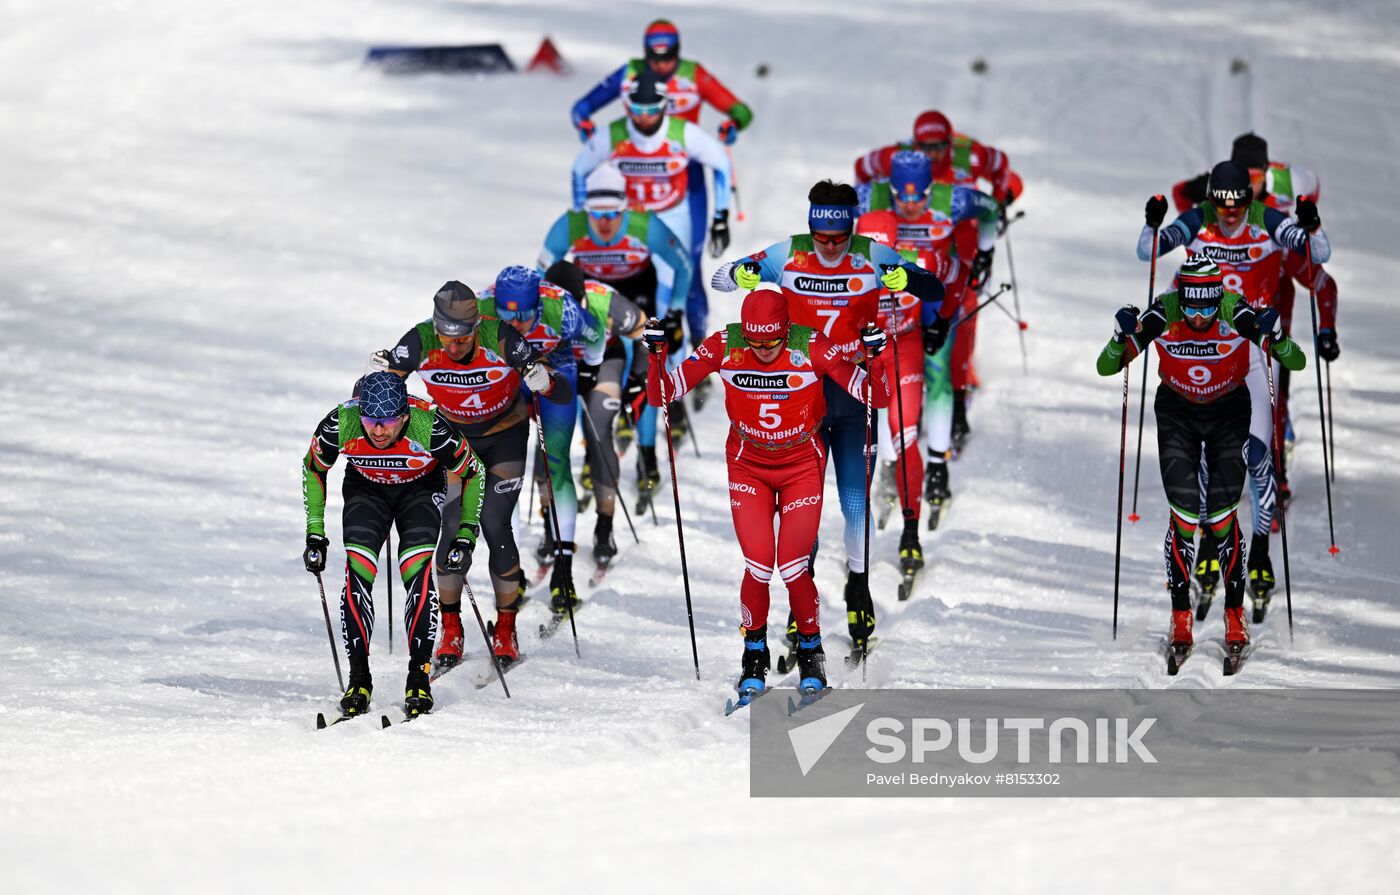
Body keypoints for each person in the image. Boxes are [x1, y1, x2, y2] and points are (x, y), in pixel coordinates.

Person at [712, 180, 945, 652]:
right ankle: (805, 605)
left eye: (839, 239)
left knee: (855, 502)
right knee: (807, 510)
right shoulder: (789, 254)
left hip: (856, 394)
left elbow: (934, 287)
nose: (831, 248)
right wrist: (741, 274)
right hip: (805, 401)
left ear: (852, 228)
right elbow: (719, 278)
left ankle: (858, 588)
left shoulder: (873, 255)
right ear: (811, 227)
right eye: (823, 238)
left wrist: (908, 280)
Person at [643, 285, 892, 695]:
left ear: (786, 329)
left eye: (771, 342)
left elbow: (874, 396)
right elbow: (662, 394)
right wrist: (656, 357)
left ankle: (812, 654)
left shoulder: (811, 344)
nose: (760, 349)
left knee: (793, 566)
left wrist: (876, 359)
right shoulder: (725, 343)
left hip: (800, 466)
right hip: (748, 464)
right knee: (758, 565)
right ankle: (753, 656)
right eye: (753, 341)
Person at [1096, 257, 1306, 662]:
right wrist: (1119, 336)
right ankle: (1180, 616)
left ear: (1217, 300)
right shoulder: (1165, 310)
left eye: (1207, 308)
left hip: (1228, 411)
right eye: (1191, 307)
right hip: (1177, 413)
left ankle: (1234, 613)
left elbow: (1293, 360)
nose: (1198, 316)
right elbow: (1107, 366)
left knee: (1224, 517)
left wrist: (1276, 335)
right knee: (1186, 515)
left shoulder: (1234, 309)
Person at [1140, 161, 1330, 608]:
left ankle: (1260, 554)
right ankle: (1208, 548)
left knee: (1258, 456)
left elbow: (1317, 254)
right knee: (1206, 456)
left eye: (1237, 203)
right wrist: (1151, 226)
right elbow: (1147, 251)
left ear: (1249, 198)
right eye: (1221, 204)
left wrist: (1313, 227)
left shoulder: (1265, 219)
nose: (1229, 213)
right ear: (1211, 199)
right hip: (1212, 351)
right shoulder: (1199, 219)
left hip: (1256, 354)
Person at [379, 281, 573, 670]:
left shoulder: (499, 336)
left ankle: (505, 628)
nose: (453, 347)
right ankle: (451, 627)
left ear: (475, 327)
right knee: (451, 526)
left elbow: (563, 391)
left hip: (506, 436)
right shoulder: (419, 340)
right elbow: (374, 398)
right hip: (454, 441)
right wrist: (374, 378)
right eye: (446, 338)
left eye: (462, 339)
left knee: (494, 523)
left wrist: (545, 381)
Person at [301, 371, 486, 718]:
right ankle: (359, 679)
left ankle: (419, 677)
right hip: (366, 489)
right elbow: (313, 468)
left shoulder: (428, 426)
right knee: (358, 573)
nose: (378, 430)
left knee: (416, 573)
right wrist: (315, 531)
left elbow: (474, 471)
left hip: (420, 488)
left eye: (387, 421)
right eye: (370, 420)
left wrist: (466, 533)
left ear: (404, 415)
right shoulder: (342, 423)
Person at [570, 18, 753, 347]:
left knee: (689, 269)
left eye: (668, 58)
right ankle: (636, 350)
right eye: (654, 59)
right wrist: (584, 125)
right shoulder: (631, 73)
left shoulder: (693, 74)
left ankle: (696, 345)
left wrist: (733, 123)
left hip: (686, 179)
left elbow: (740, 109)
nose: (661, 65)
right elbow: (582, 107)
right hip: (637, 184)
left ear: (678, 53)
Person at [857, 151, 999, 558]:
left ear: (930, 189)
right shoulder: (870, 198)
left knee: (936, 374)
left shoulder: (951, 200)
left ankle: (937, 467)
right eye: (901, 200)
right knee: (882, 392)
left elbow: (990, 209)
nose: (910, 206)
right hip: (887, 306)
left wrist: (983, 252)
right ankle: (889, 466)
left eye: (918, 198)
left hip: (932, 299)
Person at [856, 110, 1020, 450]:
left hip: (947, 258)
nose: (932, 153)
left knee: (954, 324)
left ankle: (956, 404)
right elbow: (858, 173)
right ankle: (894, 438)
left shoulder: (968, 158)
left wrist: (990, 239)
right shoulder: (889, 166)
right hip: (897, 268)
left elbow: (1002, 178)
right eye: (924, 147)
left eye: (939, 147)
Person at [538, 161, 694, 503]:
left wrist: (675, 313)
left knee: (646, 368)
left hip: (637, 289)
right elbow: (541, 278)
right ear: (586, 209)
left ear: (626, 208)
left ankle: (648, 455)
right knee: (586, 372)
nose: (605, 223)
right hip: (589, 292)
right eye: (597, 214)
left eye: (613, 215)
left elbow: (683, 265)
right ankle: (593, 451)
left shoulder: (645, 224)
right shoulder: (569, 225)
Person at [476, 266, 592, 615]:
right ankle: (510, 561)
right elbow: (439, 331)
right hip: (505, 381)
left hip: (555, 373)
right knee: (502, 472)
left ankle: (564, 569)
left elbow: (595, 332)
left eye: (524, 315)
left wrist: (591, 367)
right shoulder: (480, 306)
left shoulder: (560, 307)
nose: (516, 323)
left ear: (538, 302)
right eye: (507, 315)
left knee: (556, 461)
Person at [541, 259, 647, 569]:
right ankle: (550, 524)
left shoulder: (604, 300)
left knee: (600, 428)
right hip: (558, 364)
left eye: (574, 304)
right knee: (547, 440)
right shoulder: (538, 302)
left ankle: (605, 526)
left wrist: (637, 379)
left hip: (602, 365)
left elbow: (645, 331)